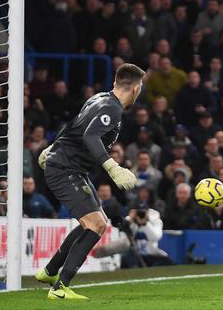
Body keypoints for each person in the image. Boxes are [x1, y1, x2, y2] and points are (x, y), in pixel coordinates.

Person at [34, 64, 144, 300]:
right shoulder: (112, 109)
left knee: (97, 221)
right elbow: (90, 135)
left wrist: (52, 147)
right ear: (135, 89)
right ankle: (60, 288)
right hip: (66, 169)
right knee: (96, 225)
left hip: (72, 167)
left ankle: (50, 271)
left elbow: (75, 124)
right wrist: (113, 167)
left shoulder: (100, 98)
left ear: (115, 82)